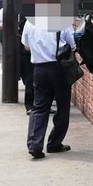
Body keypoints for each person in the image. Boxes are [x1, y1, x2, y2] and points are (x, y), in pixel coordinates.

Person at [23, 18, 76, 159]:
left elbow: (26, 46)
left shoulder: (30, 22)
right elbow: (74, 44)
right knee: (62, 108)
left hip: (39, 68)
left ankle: (35, 145)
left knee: (39, 106)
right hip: (59, 68)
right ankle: (54, 143)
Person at [17, 14, 34, 115]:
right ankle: (29, 105)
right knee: (30, 80)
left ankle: (37, 105)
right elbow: (25, 45)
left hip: (31, 53)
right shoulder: (28, 22)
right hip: (29, 55)